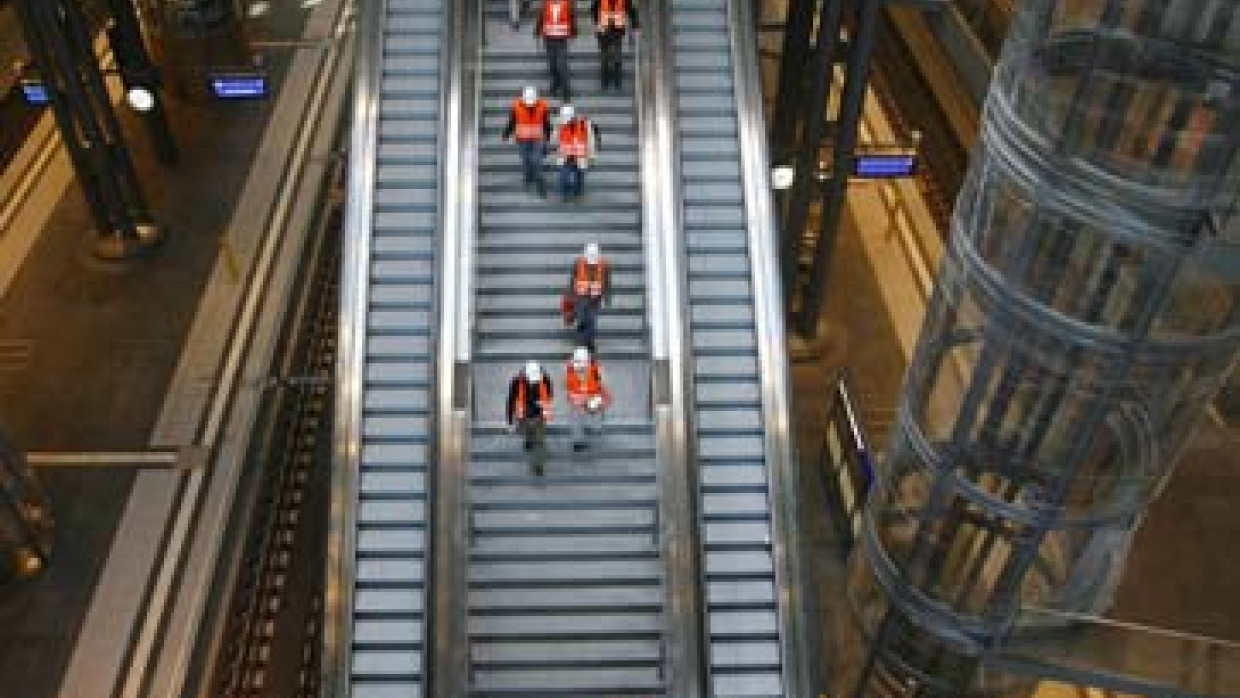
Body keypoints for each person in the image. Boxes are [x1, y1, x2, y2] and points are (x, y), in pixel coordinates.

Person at [502, 85, 552, 197]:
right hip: (522, 138)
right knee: (525, 159)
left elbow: (545, 121)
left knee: (537, 160)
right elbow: (512, 121)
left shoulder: (543, 105)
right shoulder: (516, 105)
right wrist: (506, 133)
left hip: (537, 138)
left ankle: (540, 183)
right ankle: (528, 176)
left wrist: (548, 135)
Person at [506, 361, 554, 473]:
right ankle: (528, 439)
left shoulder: (545, 379)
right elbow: (511, 401)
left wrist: (542, 403)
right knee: (528, 432)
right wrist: (510, 421)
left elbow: (550, 393)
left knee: (539, 440)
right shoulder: (516, 381)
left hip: (539, 413)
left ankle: (538, 465)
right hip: (523, 413)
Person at [563, 242, 611, 350]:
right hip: (581, 297)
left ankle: (588, 342)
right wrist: (571, 296)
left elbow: (607, 282)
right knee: (582, 319)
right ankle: (581, 340)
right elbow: (573, 279)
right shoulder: (578, 263)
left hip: (595, 298)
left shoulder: (604, 265)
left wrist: (606, 298)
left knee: (592, 320)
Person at [565, 346, 610, 452]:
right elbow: (569, 388)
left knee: (595, 424)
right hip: (578, 399)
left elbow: (603, 387)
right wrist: (576, 397)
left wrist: (598, 400)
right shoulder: (570, 370)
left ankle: (594, 423)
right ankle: (577, 441)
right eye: (578, 362)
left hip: (594, 397)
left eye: (583, 363)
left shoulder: (596, 370)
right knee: (576, 415)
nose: (581, 366)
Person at [534, 0, 577, 101]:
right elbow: (541, 17)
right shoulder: (546, 4)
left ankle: (566, 91)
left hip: (561, 39)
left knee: (562, 65)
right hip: (549, 38)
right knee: (552, 64)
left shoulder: (567, 4)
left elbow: (572, 17)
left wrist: (574, 32)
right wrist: (537, 31)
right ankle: (555, 83)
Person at [591, 0, 638, 91]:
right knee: (604, 57)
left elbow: (631, 10)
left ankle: (617, 81)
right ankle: (605, 81)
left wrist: (635, 25)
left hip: (617, 31)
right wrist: (596, 24)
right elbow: (594, 9)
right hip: (603, 30)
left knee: (617, 56)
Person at [555, 104, 599, 200]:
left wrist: (592, 156)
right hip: (565, 156)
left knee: (579, 177)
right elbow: (555, 139)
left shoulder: (584, 124)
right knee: (564, 177)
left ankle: (578, 193)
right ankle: (565, 193)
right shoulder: (559, 124)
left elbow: (590, 141)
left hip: (580, 157)